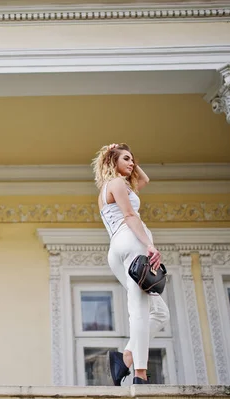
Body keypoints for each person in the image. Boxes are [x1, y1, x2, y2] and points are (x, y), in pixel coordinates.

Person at [91, 143, 170, 385]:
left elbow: (144, 179)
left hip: (117, 247)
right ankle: (140, 374)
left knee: (160, 313)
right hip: (130, 240)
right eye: (126, 158)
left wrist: (126, 156)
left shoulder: (110, 189)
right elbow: (129, 215)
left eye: (133, 159)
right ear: (112, 162)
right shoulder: (116, 184)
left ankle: (125, 357)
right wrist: (149, 244)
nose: (132, 163)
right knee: (139, 310)